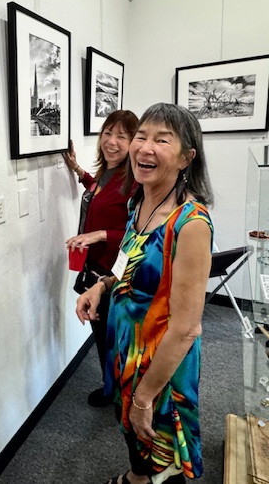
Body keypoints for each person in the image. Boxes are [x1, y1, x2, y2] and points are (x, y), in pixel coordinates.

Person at [76, 103, 214, 484]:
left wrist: (144, 396)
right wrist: (102, 286)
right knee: (134, 435)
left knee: (161, 449)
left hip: (161, 362)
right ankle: (136, 478)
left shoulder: (190, 223)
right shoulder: (139, 203)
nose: (145, 147)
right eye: (142, 136)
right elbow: (127, 261)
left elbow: (186, 329)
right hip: (127, 347)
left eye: (162, 140)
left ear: (187, 158)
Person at [64, 110, 138, 407]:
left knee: (114, 338)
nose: (112, 141)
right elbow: (98, 192)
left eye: (122, 136)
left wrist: (100, 235)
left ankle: (119, 393)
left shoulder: (135, 182)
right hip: (93, 270)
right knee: (103, 334)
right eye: (108, 133)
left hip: (114, 275)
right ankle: (112, 385)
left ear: (133, 143)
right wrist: (78, 170)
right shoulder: (108, 174)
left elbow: (142, 235)